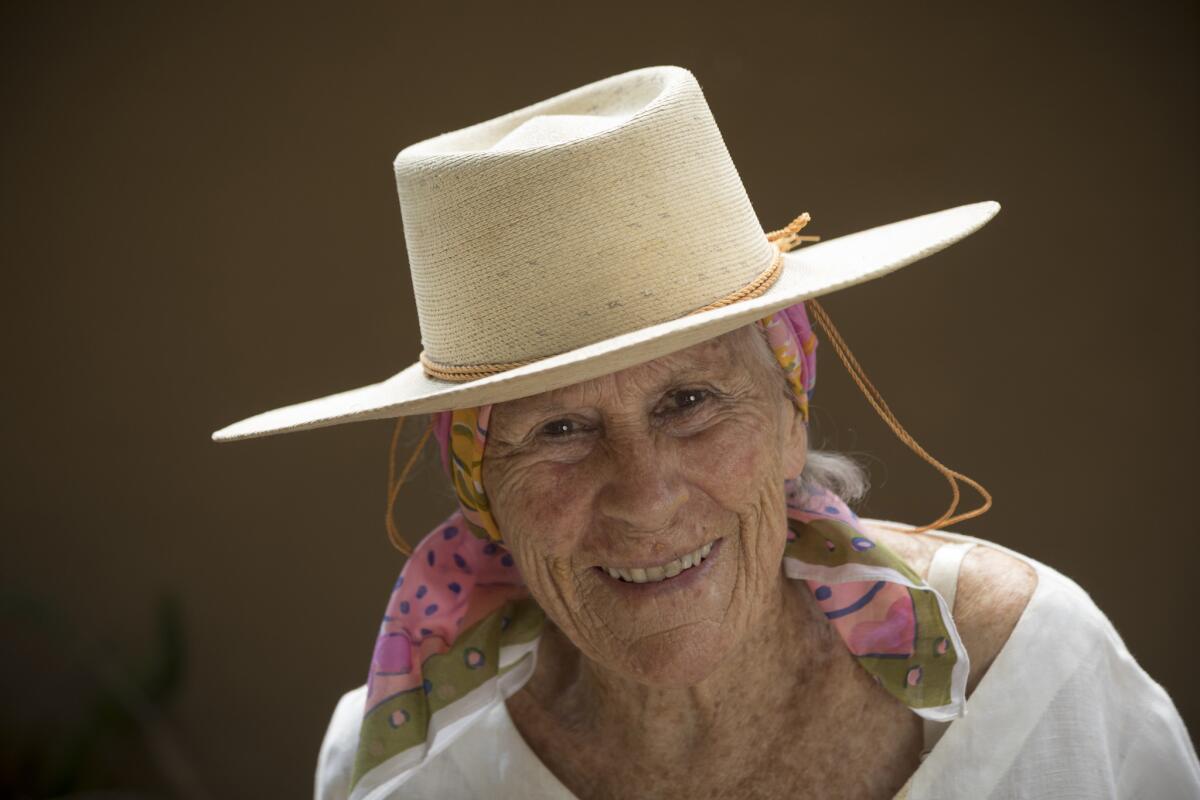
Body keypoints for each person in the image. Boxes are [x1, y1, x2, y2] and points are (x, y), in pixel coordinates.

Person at [212, 66, 1200, 799]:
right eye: (559, 427)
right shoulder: (405, 769)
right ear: (482, 490)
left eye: (688, 402)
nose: (645, 494)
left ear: (787, 413)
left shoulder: (1027, 672)